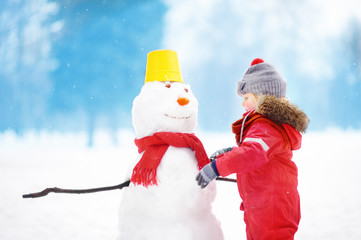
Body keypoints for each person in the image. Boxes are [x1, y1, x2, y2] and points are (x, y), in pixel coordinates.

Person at [196, 58, 310, 240]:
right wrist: (230, 152)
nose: (243, 103)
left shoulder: (266, 126)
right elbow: (254, 150)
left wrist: (217, 167)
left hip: (271, 208)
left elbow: (252, 153)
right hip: (265, 204)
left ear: (262, 97)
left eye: (246, 97)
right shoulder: (267, 126)